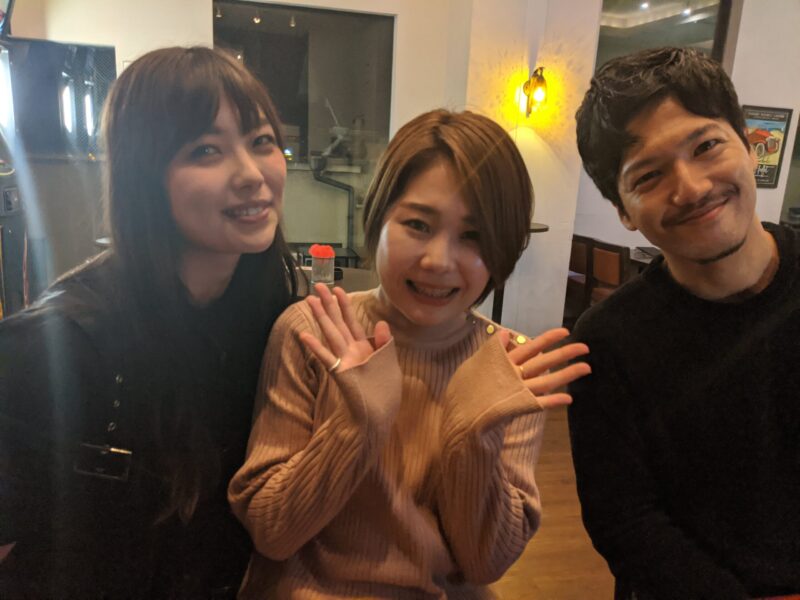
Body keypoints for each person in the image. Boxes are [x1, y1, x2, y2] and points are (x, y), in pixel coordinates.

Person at [229, 108, 592, 598]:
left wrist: (470, 434)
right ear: (378, 219)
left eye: (473, 236)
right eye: (418, 224)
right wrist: (357, 425)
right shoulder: (312, 331)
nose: (438, 261)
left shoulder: (510, 368)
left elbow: (485, 562)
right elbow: (273, 533)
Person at [0, 47, 297, 598]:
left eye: (261, 141)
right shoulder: (57, 346)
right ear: (145, 177)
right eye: (206, 150)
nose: (252, 174)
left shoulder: (271, 313)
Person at [568, 47, 800, 599]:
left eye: (706, 146)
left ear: (749, 146)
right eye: (649, 175)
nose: (692, 188)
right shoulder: (607, 343)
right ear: (624, 211)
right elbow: (626, 522)